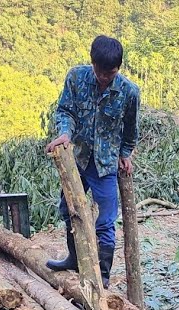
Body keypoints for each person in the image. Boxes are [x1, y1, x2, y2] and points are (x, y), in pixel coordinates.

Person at [45, 35, 141, 288]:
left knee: (106, 221)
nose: (104, 78)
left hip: (106, 165)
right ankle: (74, 259)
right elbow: (65, 111)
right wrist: (65, 133)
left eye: (110, 73)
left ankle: (103, 275)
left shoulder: (129, 92)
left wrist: (125, 153)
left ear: (118, 68)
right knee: (68, 209)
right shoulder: (76, 78)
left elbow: (131, 129)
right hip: (77, 159)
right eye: (100, 72)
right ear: (92, 63)